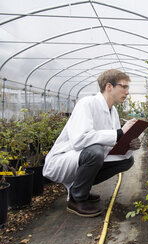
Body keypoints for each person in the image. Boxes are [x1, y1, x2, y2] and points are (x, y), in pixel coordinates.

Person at [43, 69, 141, 217]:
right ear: (109, 86)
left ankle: (81, 188)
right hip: (63, 159)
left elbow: (111, 145)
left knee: (127, 160)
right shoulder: (86, 104)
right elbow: (80, 140)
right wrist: (119, 133)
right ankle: (76, 199)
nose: (127, 92)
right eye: (124, 86)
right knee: (95, 152)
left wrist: (128, 144)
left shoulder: (113, 111)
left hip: (84, 157)